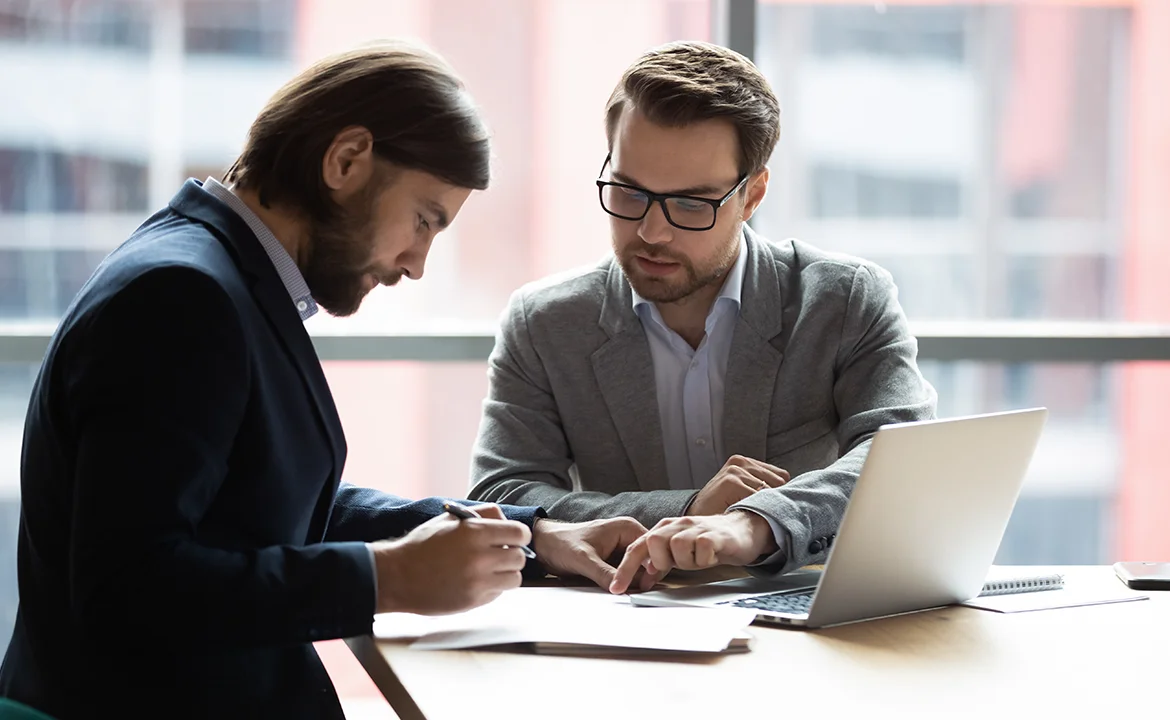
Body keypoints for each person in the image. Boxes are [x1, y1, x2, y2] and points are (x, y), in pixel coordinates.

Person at [0, 41, 653, 719]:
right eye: (424, 219)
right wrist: (384, 580)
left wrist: (529, 535)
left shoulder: (216, 274)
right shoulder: (182, 297)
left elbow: (263, 501)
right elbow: (129, 589)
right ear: (346, 160)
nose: (417, 262)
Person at [467, 41, 937, 593]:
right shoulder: (545, 323)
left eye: (692, 204)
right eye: (628, 191)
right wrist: (686, 508)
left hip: (806, 619)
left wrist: (753, 524)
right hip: (626, 624)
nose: (651, 232)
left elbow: (903, 459)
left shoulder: (842, 301)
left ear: (752, 195)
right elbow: (503, 494)